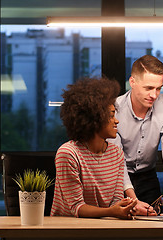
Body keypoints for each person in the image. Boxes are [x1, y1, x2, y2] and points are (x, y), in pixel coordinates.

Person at [50, 77, 137, 219]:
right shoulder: (68, 153)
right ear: (94, 118)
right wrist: (113, 212)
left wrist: (128, 208)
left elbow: (115, 202)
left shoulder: (116, 153)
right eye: (111, 116)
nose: (116, 121)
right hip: (67, 230)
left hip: (103, 227)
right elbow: (76, 208)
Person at [110, 55, 163, 216]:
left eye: (159, 88)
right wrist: (133, 200)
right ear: (132, 82)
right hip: (117, 177)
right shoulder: (114, 108)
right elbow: (116, 158)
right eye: (149, 88)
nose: (154, 95)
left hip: (148, 176)